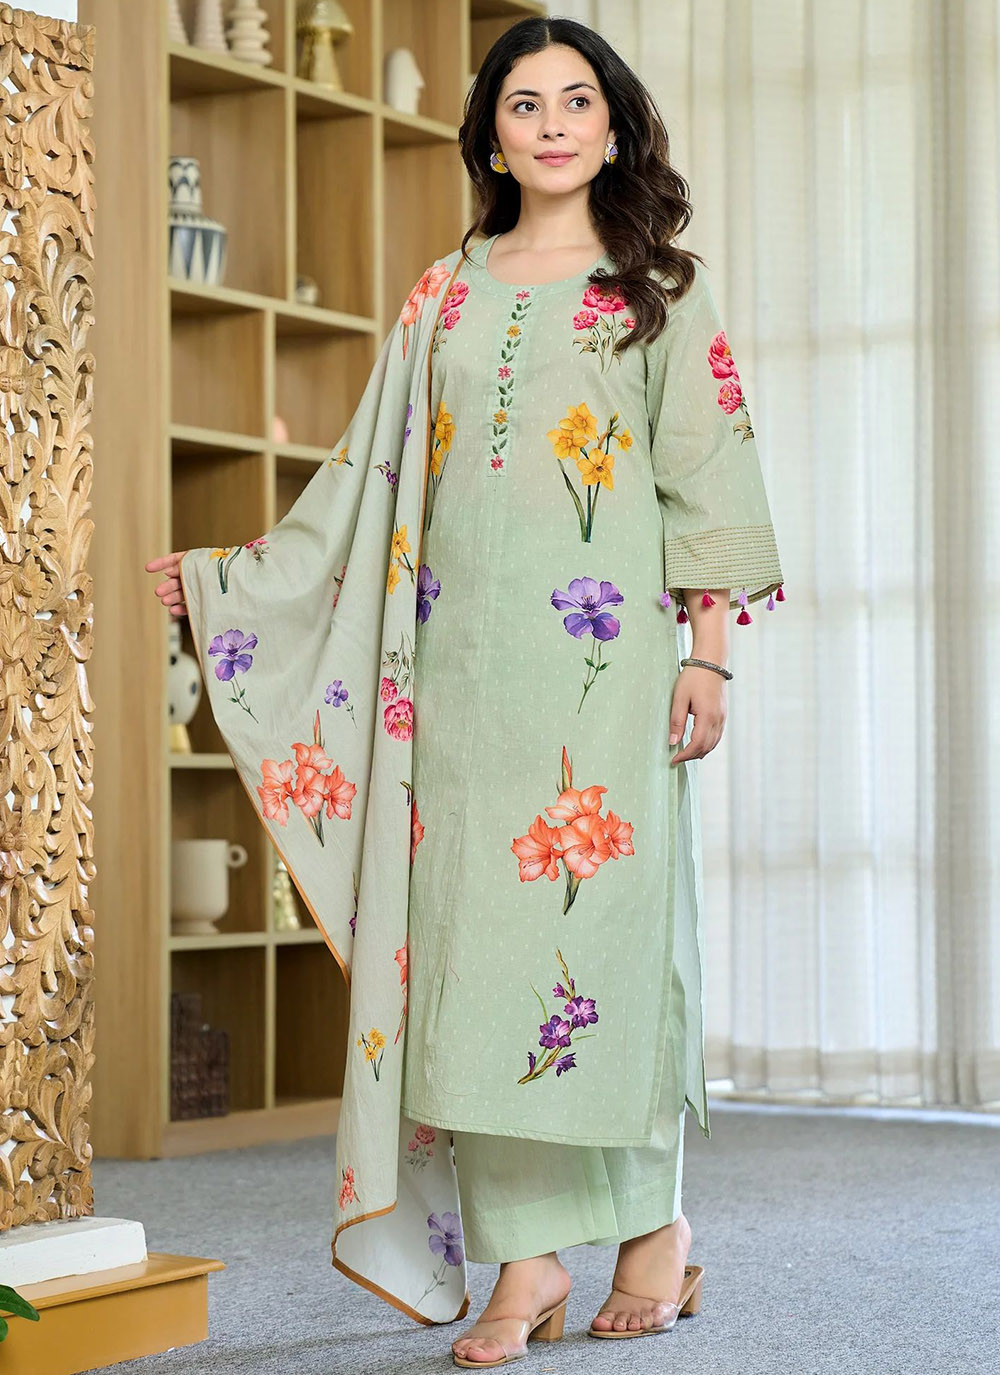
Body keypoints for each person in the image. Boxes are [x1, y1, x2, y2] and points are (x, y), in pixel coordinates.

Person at [148, 15, 784, 1369]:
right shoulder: (442, 293)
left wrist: (709, 651)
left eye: (576, 101)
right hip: (453, 679)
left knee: (603, 954)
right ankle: (527, 1256)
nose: (551, 125)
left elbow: (707, 478)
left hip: (602, 679)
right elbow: (365, 475)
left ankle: (654, 1231)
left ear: (614, 126)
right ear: (491, 134)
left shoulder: (658, 287)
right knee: (472, 962)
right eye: (523, 104)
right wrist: (230, 581)